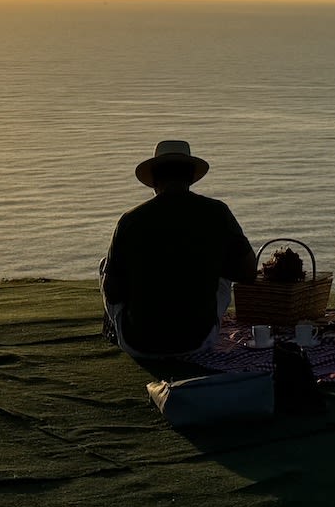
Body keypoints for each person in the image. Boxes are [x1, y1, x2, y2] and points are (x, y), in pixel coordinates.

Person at [100, 139, 257, 360]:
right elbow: (248, 272)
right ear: (191, 177)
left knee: (105, 266)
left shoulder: (130, 220)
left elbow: (113, 292)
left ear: (154, 180)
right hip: (198, 341)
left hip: (139, 343)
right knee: (225, 273)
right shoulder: (217, 212)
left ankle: (114, 331)